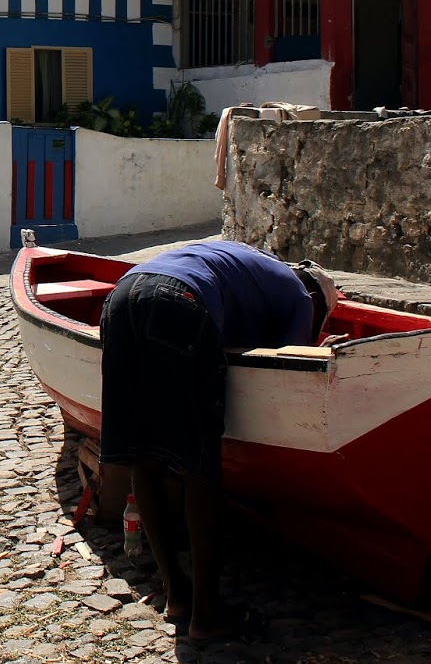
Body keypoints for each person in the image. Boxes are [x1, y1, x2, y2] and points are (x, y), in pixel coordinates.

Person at [98, 241, 337, 642]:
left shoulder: (251, 266)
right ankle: (206, 614)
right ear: (316, 299)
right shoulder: (299, 295)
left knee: (145, 456)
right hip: (178, 302)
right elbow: (289, 361)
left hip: (122, 296)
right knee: (199, 467)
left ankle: (177, 595)